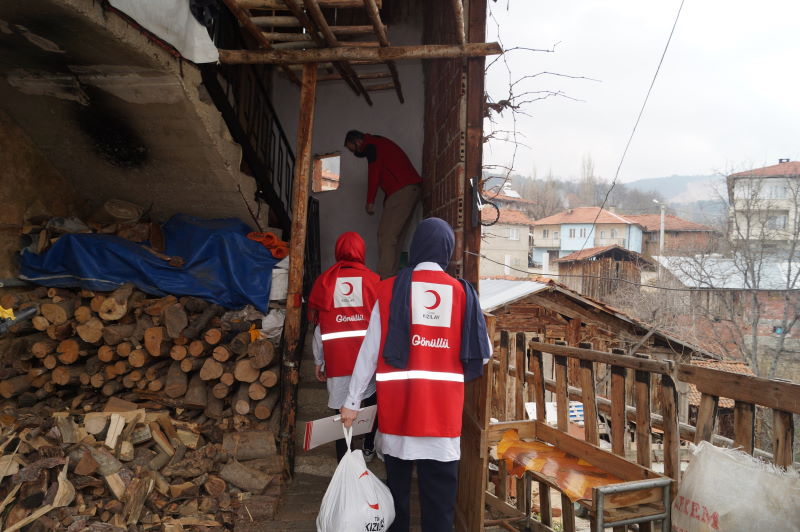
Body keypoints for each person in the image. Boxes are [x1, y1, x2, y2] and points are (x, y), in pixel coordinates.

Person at [340, 218, 492, 531]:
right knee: (439, 508)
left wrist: (352, 401)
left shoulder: (388, 290)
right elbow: (484, 353)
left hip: (398, 418)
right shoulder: (464, 294)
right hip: (442, 420)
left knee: (396, 502)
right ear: (448, 250)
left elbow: (369, 353)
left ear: (416, 247)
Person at [308, 231, 381, 462]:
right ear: (362, 251)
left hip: (337, 361)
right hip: (367, 362)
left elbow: (319, 329)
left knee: (341, 413)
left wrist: (319, 361)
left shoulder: (324, 281)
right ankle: (368, 447)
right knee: (370, 406)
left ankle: (344, 459)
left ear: (337, 251)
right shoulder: (375, 281)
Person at [344, 130, 422, 280]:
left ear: (358, 142)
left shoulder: (371, 146)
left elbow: (374, 173)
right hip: (409, 189)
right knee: (395, 238)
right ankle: (392, 278)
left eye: (352, 149)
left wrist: (370, 201)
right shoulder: (378, 142)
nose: (354, 152)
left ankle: (385, 279)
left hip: (402, 190)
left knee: (385, 236)